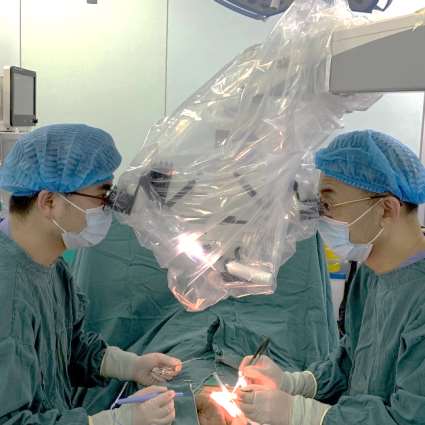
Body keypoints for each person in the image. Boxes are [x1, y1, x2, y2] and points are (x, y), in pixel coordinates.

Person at [236, 129, 425, 425]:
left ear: (386, 209)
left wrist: (300, 413)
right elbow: (351, 362)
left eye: (328, 205)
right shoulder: (370, 274)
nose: (321, 218)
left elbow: (410, 418)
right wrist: (291, 384)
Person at [0, 124, 182, 425]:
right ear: (49, 202)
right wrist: (113, 421)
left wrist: (133, 366)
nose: (109, 207)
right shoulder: (7, 293)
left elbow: (69, 347)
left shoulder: (50, 265)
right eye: (102, 195)